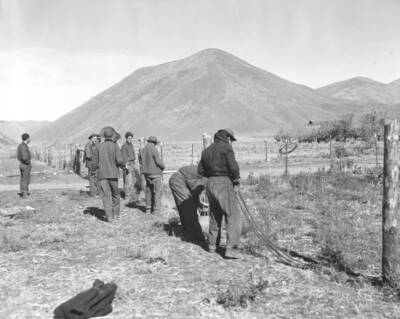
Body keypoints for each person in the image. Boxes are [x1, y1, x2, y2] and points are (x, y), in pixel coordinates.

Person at [198, 128, 242, 259]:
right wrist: (236, 179)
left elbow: (200, 171)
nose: (231, 142)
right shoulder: (227, 148)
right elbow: (233, 167)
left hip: (210, 183)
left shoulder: (206, 151)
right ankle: (231, 249)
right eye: (231, 140)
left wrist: (212, 176)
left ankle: (212, 246)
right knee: (233, 215)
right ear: (227, 137)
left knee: (214, 215)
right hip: (224, 182)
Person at [92, 127, 125, 222]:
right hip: (113, 175)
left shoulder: (98, 146)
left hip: (102, 175)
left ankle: (109, 217)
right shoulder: (115, 146)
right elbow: (119, 160)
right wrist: (123, 165)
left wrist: (93, 171)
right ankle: (116, 215)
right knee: (116, 195)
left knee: (106, 196)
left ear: (104, 136)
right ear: (112, 136)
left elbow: (94, 164)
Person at [169, 165, 208, 243]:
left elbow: (195, 191)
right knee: (187, 208)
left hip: (181, 181)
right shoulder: (207, 177)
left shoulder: (207, 174)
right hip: (178, 180)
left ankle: (189, 232)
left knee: (188, 208)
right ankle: (194, 236)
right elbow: (196, 190)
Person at [139, 136, 165, 214]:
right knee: (157, 192)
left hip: (146, 174)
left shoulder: (143, 149)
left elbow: (140, 161)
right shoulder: (154, 149)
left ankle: (148, 209)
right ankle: (156, 210)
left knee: (148, 191)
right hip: (155, 174)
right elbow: (158, 161)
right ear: (154, 143)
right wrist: (163, 166)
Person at [121, 131, 140, 203]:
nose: (130, 139)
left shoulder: (131, 145)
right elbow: (123, 157)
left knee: (132, 181)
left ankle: (131, 196)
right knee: (128, 181)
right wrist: (126, 165)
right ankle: (127, 197)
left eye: (131, 138)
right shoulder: (124, 146)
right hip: (127, 164)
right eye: (129, 138)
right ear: (126, 138)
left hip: (132, 163)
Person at [16, 133, 32, 198]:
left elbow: (18, 156)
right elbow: (25, 157)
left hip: (21, 164)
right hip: (25, 164)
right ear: (27, 138)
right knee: (26, 179)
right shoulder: (24, 146)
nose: (30, 140)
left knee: (22, 179)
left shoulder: (20, 145)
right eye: (29, 138)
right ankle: (25, 194)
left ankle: (21, 191)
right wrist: (28, 162)